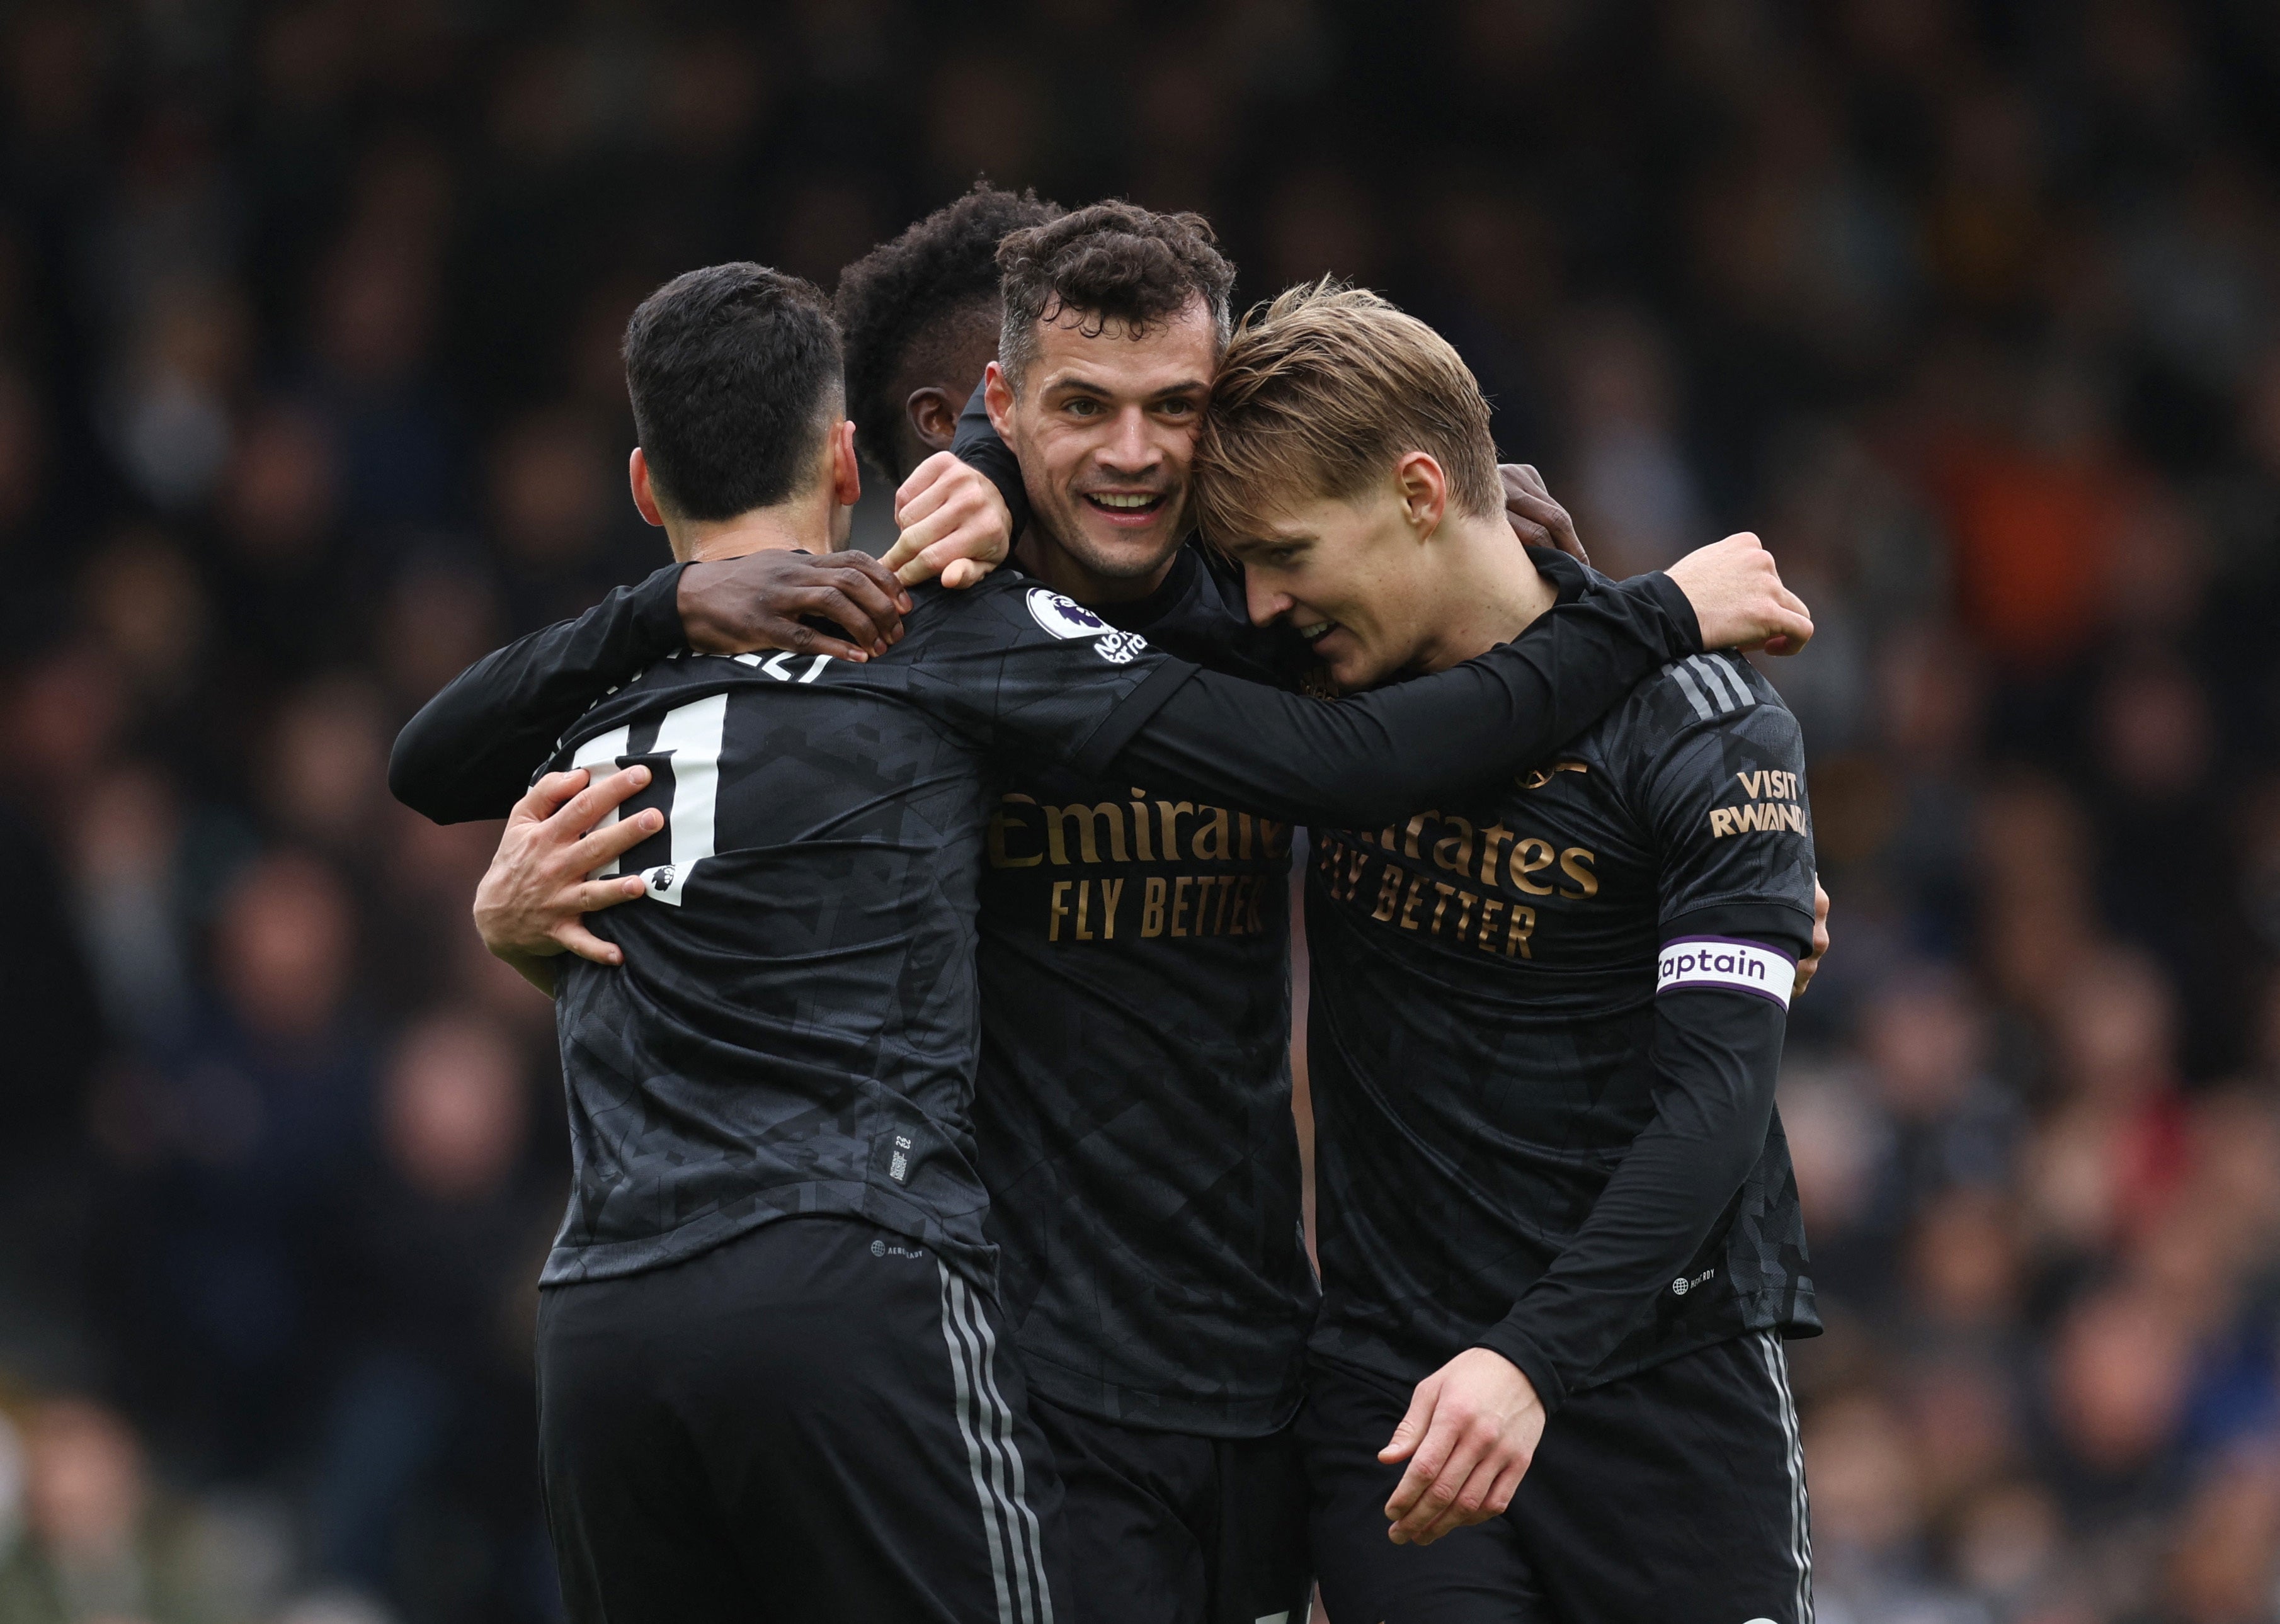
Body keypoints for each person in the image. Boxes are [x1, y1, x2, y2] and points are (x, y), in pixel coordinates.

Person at [392, 198, 1819, 1624]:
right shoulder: (924, 644)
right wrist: (533, 935)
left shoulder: (1272, 618)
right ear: (987, 416)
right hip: (1039, 1390)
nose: (1133, 453)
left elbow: (1449, 619)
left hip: (1269, 1373)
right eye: (1079, 410)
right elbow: (637, 857)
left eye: (1173, 410)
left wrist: (1711, 871)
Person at [1186, 280, 1824, 1623]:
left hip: (1661, 1383)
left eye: (1286, 553)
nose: (1254, 606)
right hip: (1393, 1390)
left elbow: (1715, 1104)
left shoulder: (1704, 726)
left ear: (1421, 492)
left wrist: (1528, 1363)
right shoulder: (1311, 688)